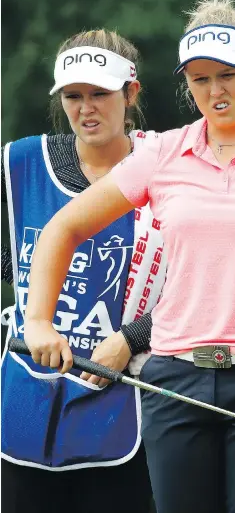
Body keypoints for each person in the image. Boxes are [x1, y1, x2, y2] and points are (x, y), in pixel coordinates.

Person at [21, 0, 235, 513]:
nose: (215, 90)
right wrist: (38, 321)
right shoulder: (161, 154)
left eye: (228, 74)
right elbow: (62, 228)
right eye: (199, 78)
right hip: (175, 382)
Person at [1, 29, 167, 513]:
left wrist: (133, 337)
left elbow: (199, 285)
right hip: (25, 403)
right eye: (73, 96)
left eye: (100, 94)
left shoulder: (168, 168)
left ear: (131, 94)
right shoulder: (20, 164)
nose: (86, 108)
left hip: (125, 403)